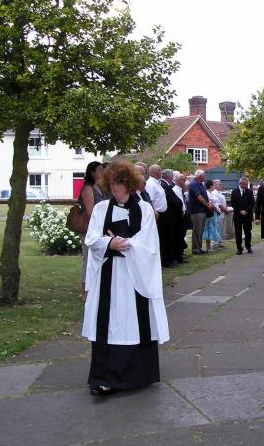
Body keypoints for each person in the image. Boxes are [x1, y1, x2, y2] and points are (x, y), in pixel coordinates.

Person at [82, 161, 169, 396]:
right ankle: (103, 377)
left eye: (119, 183)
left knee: (134, 323)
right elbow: (92, 239)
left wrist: (126, 243)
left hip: (134, 276)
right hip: (109, 274)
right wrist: (109, 242)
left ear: (129, 184)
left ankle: (136, 376)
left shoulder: (144, 210)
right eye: (111, 184)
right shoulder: (101, 210)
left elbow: (149, 244)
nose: (115, 188)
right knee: (108, 324)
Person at [79, 161, 109, 302]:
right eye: (99, 170)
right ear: (92, 172)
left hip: (99, 228)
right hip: (89, 229)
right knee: (88, 258)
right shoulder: (88, 188)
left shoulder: (100, 188)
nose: (102, 172)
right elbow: (91, 211)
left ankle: (94, 287)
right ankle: (85, 291)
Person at [188, 170, 213, 255]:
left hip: (202, 211)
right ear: (200, 176)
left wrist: (208, 203)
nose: (204, 177)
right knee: (197, 231)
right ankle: (195, 249)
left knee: (200, 230)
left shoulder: (200, 184)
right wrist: (207, 205)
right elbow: (199, 197)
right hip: (197, 211)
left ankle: (199, 248)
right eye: (203, 175)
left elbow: (204, 197)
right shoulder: (194, 184)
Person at [230, 176, 254, 255]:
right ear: (240, 184)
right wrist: (240, 211)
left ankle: (248, 246)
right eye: (245, 184)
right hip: (238, 216)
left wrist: (246, 211)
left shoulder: (250, 192)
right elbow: (233, 203)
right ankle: (239, 248)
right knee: (238, 233)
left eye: (247, 184)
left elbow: (252, 203)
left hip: (247, 215)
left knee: (248, 232)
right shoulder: (234, 192)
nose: (246, 186)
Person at [203, 179, 221, 252]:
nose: (214, 187)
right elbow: (211, 204)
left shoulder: (212, 193)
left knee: (213, 229)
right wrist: (216, 210)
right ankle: (208, 247)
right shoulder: (207, 193)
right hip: (210, 214)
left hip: (214, 214)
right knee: (209, 229)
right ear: (210, 186)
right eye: (213, 185)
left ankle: (213, 245)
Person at [212, 179, 228, 249]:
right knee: (217, 228)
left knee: (221, 228)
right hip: (218, 213)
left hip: (222, 213)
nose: (221, 185)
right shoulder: (214, 193)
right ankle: (215, 243)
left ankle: (219, 242)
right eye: (219, 184)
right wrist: (225, 210)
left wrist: (226, 208)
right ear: (214, 185)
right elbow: (218, 204)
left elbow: (223, 202)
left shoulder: (219, 193)